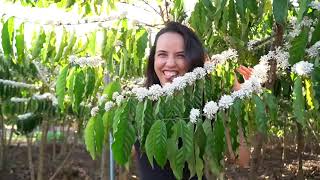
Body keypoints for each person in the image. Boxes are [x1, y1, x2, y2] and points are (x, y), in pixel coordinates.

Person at [135, 21, 251, 180]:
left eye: (180, 55)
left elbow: (241, 158)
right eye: (162, 54)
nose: (170, 63)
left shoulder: (205, 106)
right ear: (153, 59)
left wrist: (234, 92)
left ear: (193, 61)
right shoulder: (139, 105)